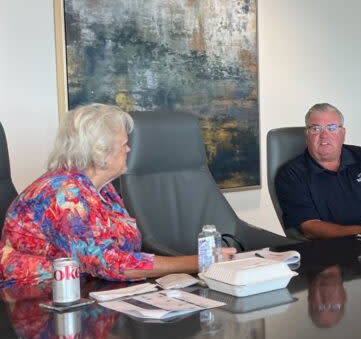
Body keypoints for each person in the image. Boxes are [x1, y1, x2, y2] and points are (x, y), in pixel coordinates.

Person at [0, 104, 220, 285]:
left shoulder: (102, 188)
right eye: (124, 144)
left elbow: (122, 250)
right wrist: (200, 261)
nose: (128, 150)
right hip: (36, 299)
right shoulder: (65, 196)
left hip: (88, 290)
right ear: (100, 153)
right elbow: (110, 263)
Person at [275, 103, 361, 238]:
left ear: (343, 133)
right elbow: (309, 227)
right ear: (307, 134)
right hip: (333, 251)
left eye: (332, 128)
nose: (324, 135)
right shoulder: (291, 174)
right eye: (316, 128)